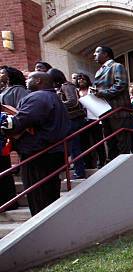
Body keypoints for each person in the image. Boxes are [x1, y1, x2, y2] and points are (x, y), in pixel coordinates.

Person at [0, 71, 71, 216]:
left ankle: (44, 231)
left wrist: (5, 122)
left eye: (29, 78)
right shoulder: (53, 98)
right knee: (50, 195)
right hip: (53, 151)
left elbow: (20, 121)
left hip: (38, 153)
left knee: (38, 197)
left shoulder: (38, 97)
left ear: (38, 80)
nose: (26, 80)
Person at [91, 46, 131, 160]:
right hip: (105, 111)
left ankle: (124, 166)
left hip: (118, 111)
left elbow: (121, 85)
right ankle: (112, 165)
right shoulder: (99, 71)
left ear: (106, 54)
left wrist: (102, 93)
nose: (94, 54)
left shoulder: (117, 66)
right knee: (110, 141)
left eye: (97, 52)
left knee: (122, 141)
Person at [0, 66, 29, 210]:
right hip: (4, 131)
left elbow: (22, 110)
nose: (0, 74)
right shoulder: (4, 90)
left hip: (16, 129)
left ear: (10, 75)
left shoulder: (18, 89)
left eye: (2, 72)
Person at [49, 68, 86, 179]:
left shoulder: (66, 86)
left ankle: (79, 172)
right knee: (72, 147)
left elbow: (73, 101)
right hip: (70, 120)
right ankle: (77, 169)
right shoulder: (61, 87)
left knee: (74, 146)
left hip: (73, 119)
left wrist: (57, 104)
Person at [76, 73, 106, 168]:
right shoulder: (76, 92)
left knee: (98, 141)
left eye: (83, 79)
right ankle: (88, 163)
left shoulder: (92, 90)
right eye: (79, 79)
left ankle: (102, 161)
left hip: (94, 118)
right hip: (81, 120)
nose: (81, 81)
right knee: (84, 143)